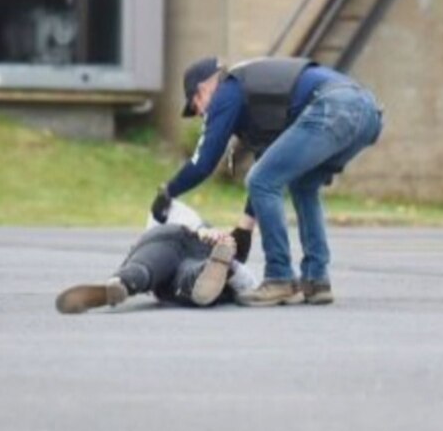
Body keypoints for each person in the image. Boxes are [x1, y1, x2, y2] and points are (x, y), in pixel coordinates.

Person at [153, 56, 382, 307]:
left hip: (334, 106)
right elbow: (269, 168)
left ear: (206, 86)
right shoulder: (255, 101)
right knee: (302, 185)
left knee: (261, 180)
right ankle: (316, 281)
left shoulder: (227, 90)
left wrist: (169, 191)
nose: (198, 112)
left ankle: (279, 278)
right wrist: (245, 228)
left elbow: (205, 162)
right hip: (366, 111)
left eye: (195, 102)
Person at [55, 200, 260, 314]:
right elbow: (249, 286)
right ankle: (217, 270)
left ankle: (121, 284)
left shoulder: (162, 229)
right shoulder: (193, 223)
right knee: (188, 280)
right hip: (184, 244)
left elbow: (162, 205)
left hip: (171, 251)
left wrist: (225, 251)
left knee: (146, 269)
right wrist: (204, 232)